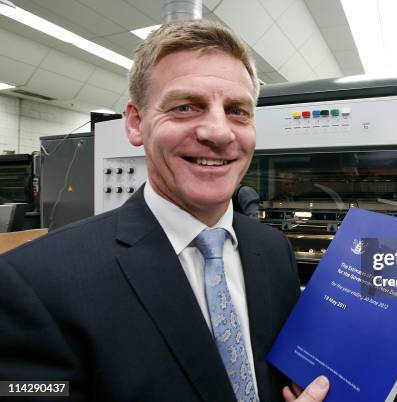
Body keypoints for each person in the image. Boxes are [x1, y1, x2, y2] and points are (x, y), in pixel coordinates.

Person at [0, 20, 328, 402]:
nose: (219, 132)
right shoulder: (36, 282)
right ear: (136, 123)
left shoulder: (272, 250)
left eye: (238, 110)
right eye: (186, 106)